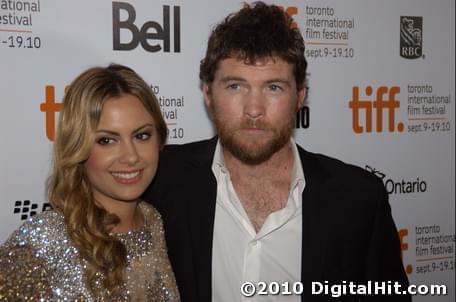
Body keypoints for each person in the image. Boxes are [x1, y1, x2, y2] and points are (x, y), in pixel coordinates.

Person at [143, 2, 410, 302]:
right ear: (208, 93)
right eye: (235, 86)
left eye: (273, 88)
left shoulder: (358, 199)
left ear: (300, 96)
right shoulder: (160, 178)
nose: (254, 110)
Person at [0, 64, 180, 301]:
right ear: (78, 147)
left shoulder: (155, 222)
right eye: (106, 140)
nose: (131, 156)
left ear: (159, 139)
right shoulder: (40, 243)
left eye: (141, 135)